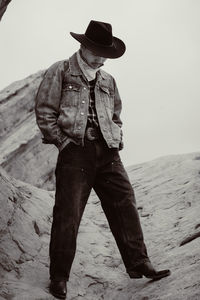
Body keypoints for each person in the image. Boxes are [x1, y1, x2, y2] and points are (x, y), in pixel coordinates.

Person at [35, 20, 170, 299]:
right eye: (96, 51)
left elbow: (116, 114)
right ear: (82, 46)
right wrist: (64, 143)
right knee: (68, 215)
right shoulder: (60, 70)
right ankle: (59, 277)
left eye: (104, 53)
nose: (100, 58)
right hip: (76, 150)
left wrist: (117, 139)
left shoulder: (108, 80)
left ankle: (139, 263)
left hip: (108, 152)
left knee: (125, 203)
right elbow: (45, 111)